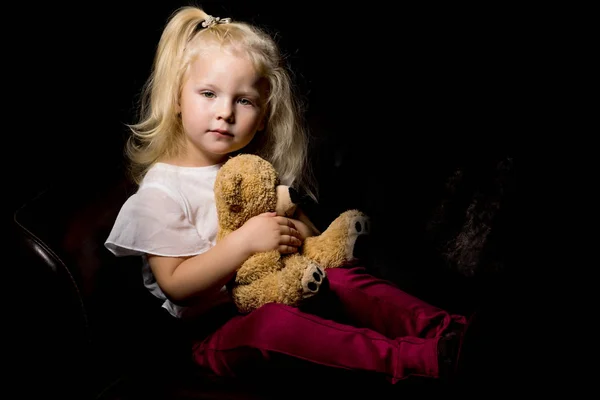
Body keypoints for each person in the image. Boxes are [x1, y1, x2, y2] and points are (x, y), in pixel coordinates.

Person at [105, 5, 470, 385]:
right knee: (274, 326)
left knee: (342, 279)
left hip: (285, 289)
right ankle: (419, 359)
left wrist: (292, 224)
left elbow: (309, 244)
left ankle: (450, 330)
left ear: (263, 116)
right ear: (178, 98)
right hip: (214, 334)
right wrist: (245, 242)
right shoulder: (162, 190)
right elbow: (177, 286)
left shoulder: (251, 170)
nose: (225, 112)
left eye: (244, 101)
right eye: (208, 94)